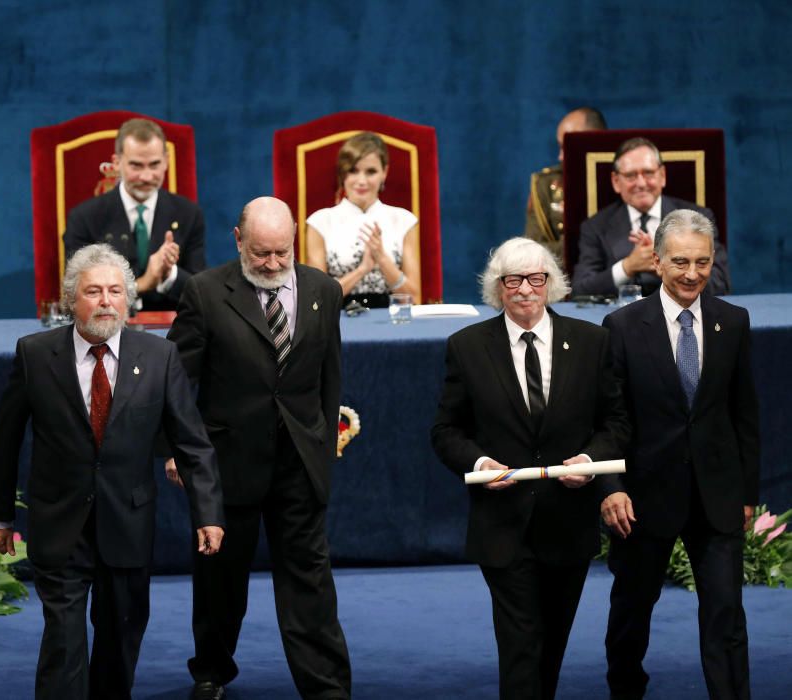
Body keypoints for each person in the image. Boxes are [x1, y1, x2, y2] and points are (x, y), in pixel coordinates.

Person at [0, 243, 225, 700]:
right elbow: (5, 441)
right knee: (63, 640)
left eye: (116, 291)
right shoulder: (35, 355)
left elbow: (192, 441)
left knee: (119, 638)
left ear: (129, 300)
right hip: (60, 521)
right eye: (93, 291)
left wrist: (208, 512)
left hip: (128, 522)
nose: (106, 301)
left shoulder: (159, 358)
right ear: (72, 299)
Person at [167, 197, 351, 700]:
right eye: (260, 253)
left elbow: (328, 378)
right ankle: (210, 672)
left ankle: (327, 688)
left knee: (309, 583)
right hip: (228, 466)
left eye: (281, 253)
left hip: (299, 461)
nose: (271, 264)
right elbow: (178, 382)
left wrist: (322, 442)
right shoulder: (204, 293)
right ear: (238, 240)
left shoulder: (323, 290)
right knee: (220, 581)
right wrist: (177, 452)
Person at [431, 237, 629, 700]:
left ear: (551, 283)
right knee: (520, 642)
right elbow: (445, 432)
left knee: (551, 642)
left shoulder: (590, 342)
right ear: (497, 287)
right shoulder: (467, 347)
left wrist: (591, 460)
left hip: (569, 522)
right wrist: (479, 463)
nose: (525, 289)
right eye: (513, 280)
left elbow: (616, 422)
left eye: (535, 278)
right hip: (502, 525)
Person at [599, 209, 759, 699]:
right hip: (644, 500)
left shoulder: (733, 322)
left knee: (726, 616)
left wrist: (747, 493)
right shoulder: (622, 326)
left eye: (703, 262)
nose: (693, 274)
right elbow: (607, 419)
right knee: (631, 614)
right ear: (658, 262)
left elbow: (744, 414)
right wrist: (612, 488)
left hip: (716, 496)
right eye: (681, 261)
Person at [63, 118, 206, 311]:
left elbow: (201, 293)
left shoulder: (189, 214)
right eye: (136, 166)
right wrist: (143, 283)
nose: (146, 176)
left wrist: (169, 274)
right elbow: (78, 295)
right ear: (116, 163)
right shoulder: (84, 218)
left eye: (154, 165)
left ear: (166, 161)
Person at [572, 137, 731, 298]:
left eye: (648, 173)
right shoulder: (595, 226)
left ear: (662, 175)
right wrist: (627, 267)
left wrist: (666, 269)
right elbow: (580, 290)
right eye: (630, 176)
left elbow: (720, 284)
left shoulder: (699, 218)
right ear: (616, 181)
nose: (641, 183)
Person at [304, 131, 420, 306]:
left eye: (371, 171)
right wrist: (362, 270)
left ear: (385, 172)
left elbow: (414, 298)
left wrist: (382, 259)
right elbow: (316, 299)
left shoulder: (404, 220)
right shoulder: (320, 222)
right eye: (353, 171)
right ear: (343, 174)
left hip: (393, 323)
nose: (361, 181)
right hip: (336, 323)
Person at [523, 107, 607, 262]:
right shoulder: (544, 184)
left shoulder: (626, 179)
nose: (560, 156)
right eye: (559, 147)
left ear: (595, 141)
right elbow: (532, 251)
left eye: (567, 147)